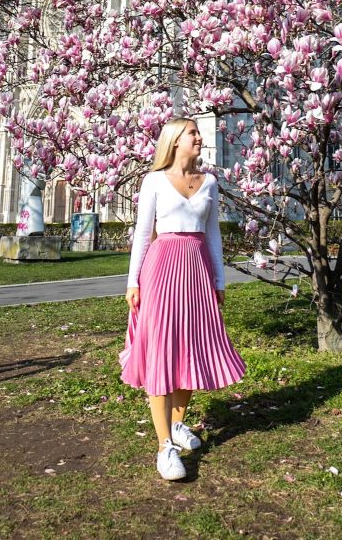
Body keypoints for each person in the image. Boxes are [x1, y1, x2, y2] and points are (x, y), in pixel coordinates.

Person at [119, 117, 246, 481]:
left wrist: (219, 281)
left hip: (197, 270)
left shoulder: (210, 184)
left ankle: (177, 424)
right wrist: (133, 282)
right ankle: (164, 448)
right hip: (160, 270)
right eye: (193, 134)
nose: (200, 139)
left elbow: (213, 237)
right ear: (175, 141)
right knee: (160, 351)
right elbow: (143, 234)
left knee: (191, 349)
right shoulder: (154, 180)